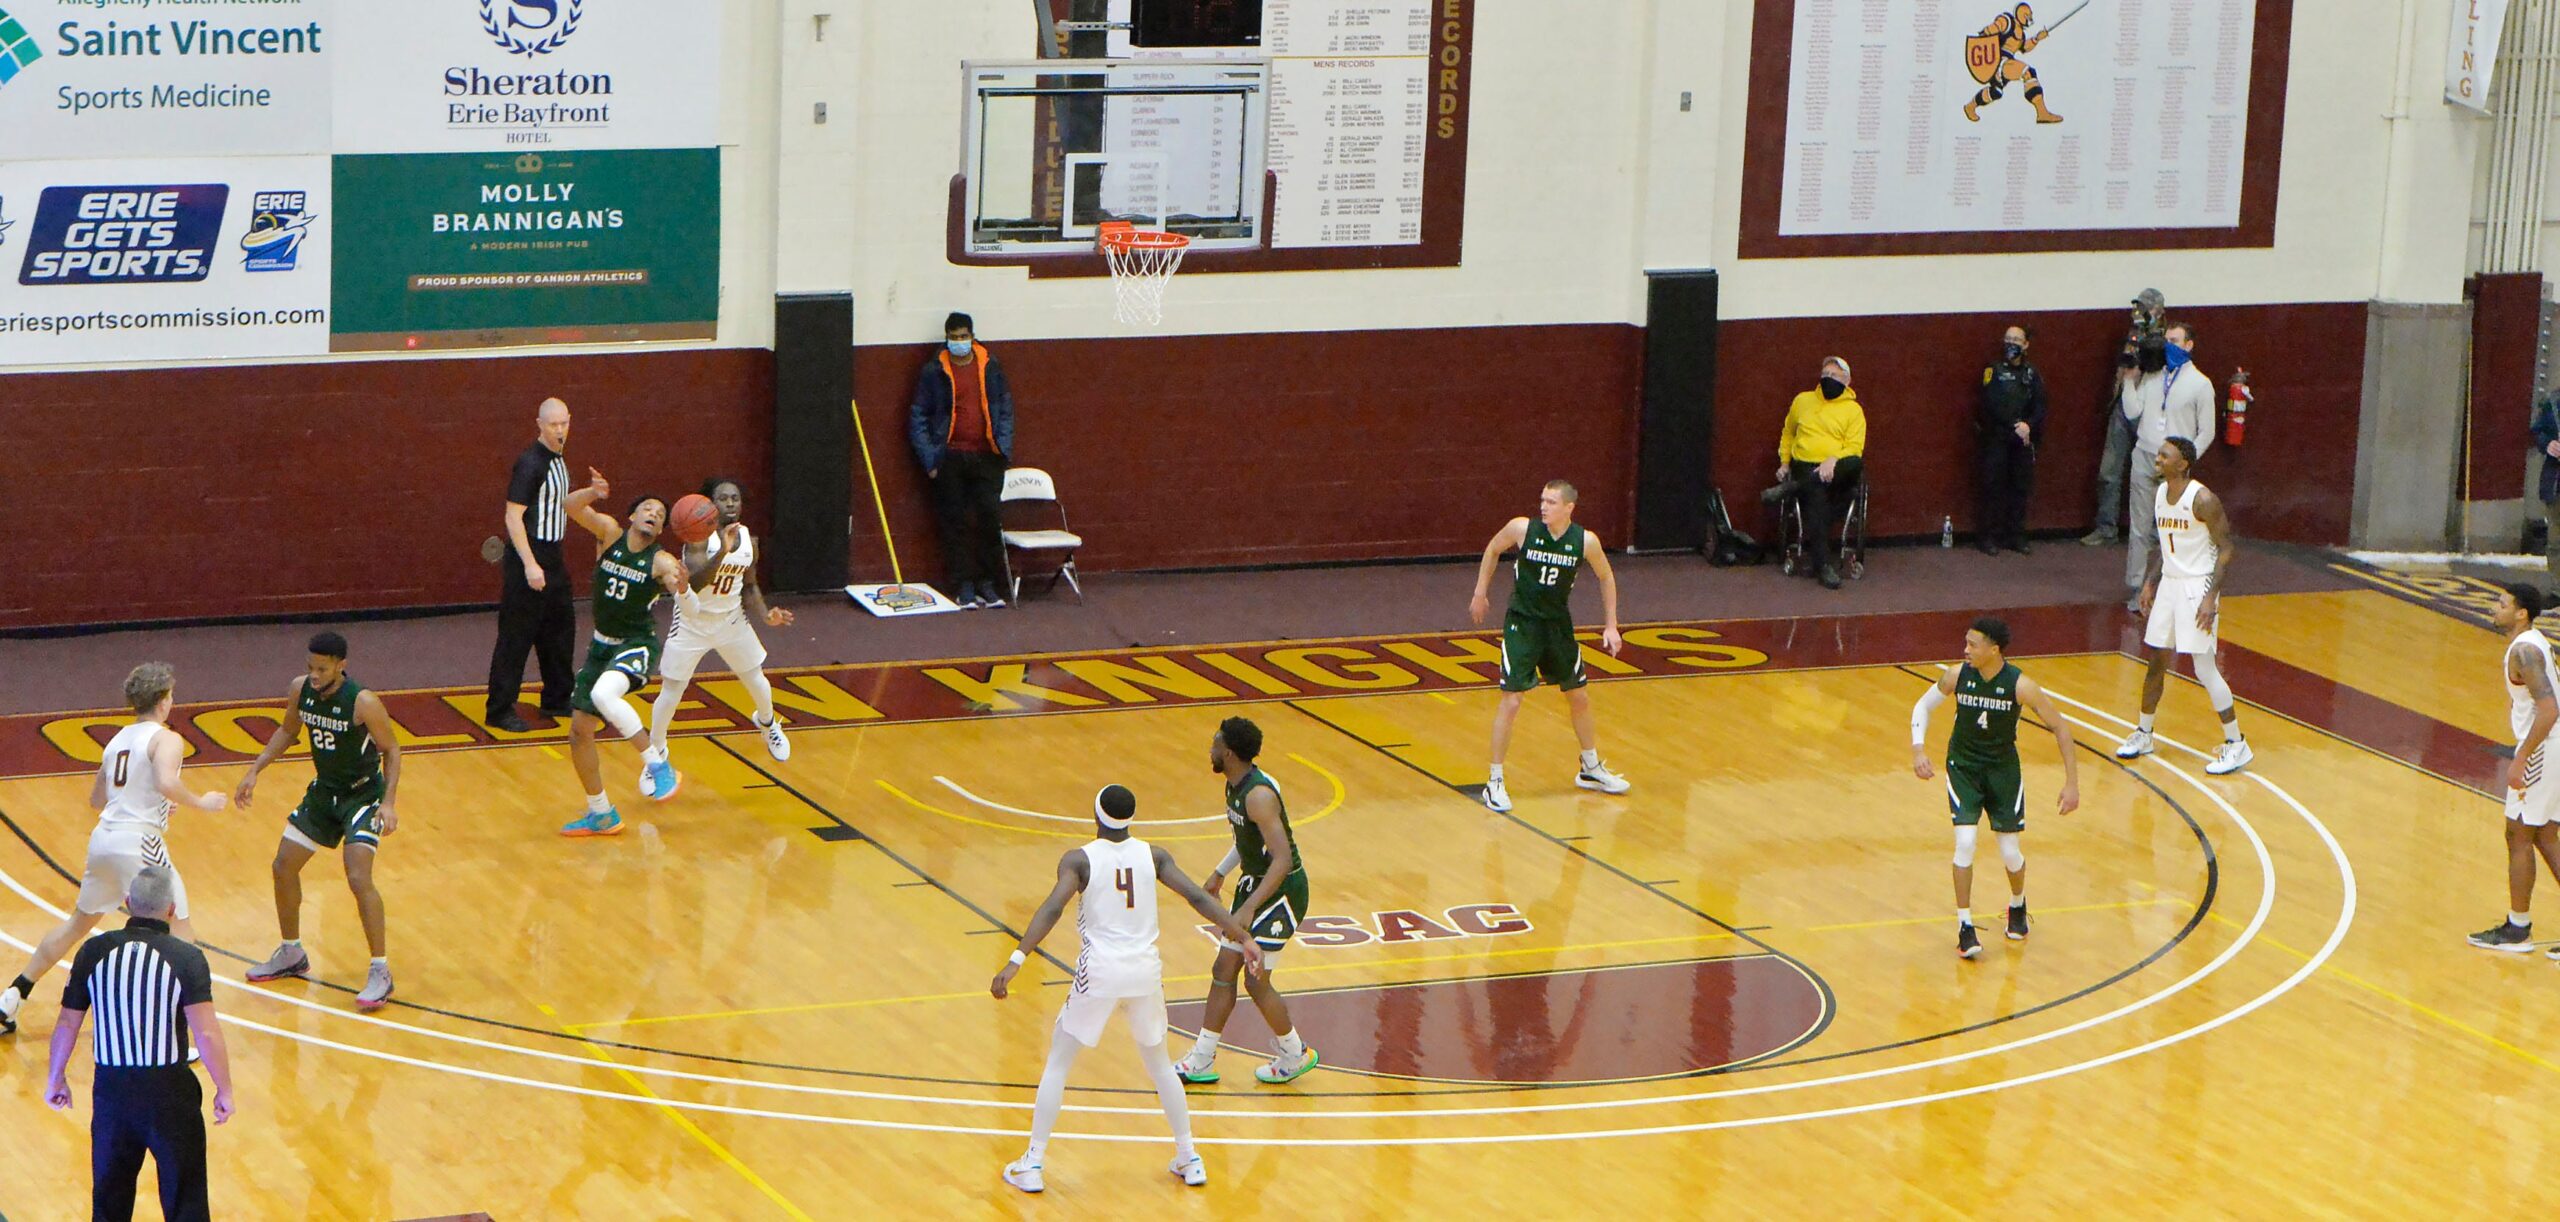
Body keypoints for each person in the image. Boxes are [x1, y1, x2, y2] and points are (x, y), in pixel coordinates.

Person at [989, 784, 1263, 1194]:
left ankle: (1032, 1161)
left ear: (1097, 815)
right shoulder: (1154, 856)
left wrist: (1017, 959)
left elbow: (1052, 907)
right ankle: (1189, 1156)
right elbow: (1195, 897)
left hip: (1100, 972)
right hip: (1144, 972)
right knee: (1159, 1064)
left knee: (1059, 1059)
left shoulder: (1079, 860)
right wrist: (1243, 936)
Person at [1, 664, 224, 1036]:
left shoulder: (117, 739)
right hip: (138, 843)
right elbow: (167, 781)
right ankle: (180, 1034)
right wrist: (201, 801)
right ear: (164, 700)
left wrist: (153, 800)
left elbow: (97, 798)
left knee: (78, 923)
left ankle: (13, 995)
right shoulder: (166, 738)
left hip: (104, 838)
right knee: (181, 933)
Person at [44, 867, 234, 1222]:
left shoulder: (93, 951)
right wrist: (223, 1089)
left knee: (110, 1201)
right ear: (171, 910)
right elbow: (206, 1033)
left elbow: (68, 1021)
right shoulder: (186, 957)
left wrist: (55, 1078)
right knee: (185, 1201)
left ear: (128, 904)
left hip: (112, 1094)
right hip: (170, 1094)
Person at [234, 632, 406, 1009]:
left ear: (341, 666)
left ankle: (381, 969)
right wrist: (255, 770)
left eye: (322, 668)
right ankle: (292, 952)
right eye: (309, 666)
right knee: (283, 865)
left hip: (363, 796)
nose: (313, 674)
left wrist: (388, 803)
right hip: (324, 792)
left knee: (358, 875)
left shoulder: (363, 701)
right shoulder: (301, 690)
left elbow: (392, 750)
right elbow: (287, 731)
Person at [1911, 617, 2082, 959]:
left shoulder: (2021, 685)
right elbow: (1922, 705)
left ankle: (2017, 904)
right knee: (1966, 842)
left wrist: (2072, 783)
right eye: (1966, 643)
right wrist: (1918, 748)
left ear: (1994, 649)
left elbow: (2061, 728)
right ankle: (1965, 926)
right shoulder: (1958, 676)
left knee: (2009, 853)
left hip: (2003, 771)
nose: (1966, 650)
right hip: (1964, 768)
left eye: (1973, 644)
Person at [1173, 717, 1320, 1086]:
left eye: (1215, 743)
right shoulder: (1233, 785)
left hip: (1282, 890)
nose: (1210, 749)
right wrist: (1221, 872)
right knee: (1224, 970)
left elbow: (1283, 859)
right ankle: (1203, 1059)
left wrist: (1251, 905)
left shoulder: (1258, 796)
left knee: (1256, 981)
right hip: (1254, 882)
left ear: (1230, 753)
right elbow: (1246, 841)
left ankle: (1294, 1053)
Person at [1467, 481, 1630, 813]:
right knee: (1511, 701)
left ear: (1569, 507)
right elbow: (1493, 548)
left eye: (1551, 502)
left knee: (1579, 695)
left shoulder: (1584, 541)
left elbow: (1606, 576)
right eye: (1542, 500)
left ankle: (1590, 767)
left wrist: (1611, 625)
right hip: (1523, 624)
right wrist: (1480, 592)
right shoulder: (1522, 529)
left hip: (1557, 625)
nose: (1543, 507)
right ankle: (1494, 781)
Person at [640, 476, 796, 798]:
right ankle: (656, 753)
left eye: (735, 498)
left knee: (757, 680)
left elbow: (750, 585)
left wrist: (766, 614)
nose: (730, 503)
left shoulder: (749, 540)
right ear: (710, 504)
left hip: (730, 620)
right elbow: (694, 583)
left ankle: (767, 723)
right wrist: (722, 552)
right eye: (723, 498)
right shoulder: (697, 539)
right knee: (672, 690)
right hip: (693, 622)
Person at [557, 478, 692, 834]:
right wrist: (592, 494)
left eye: (660, 514)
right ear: (632, 515)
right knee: (579, 731)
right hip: (602, 646)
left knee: (604, 694)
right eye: (647, 508)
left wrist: (682, 582)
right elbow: (570, 506)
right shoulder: (610, 534)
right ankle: (601, 813)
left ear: (662, 528)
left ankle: (657, 765)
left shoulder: (660, 559)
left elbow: (678, 584)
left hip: (637, 643)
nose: (653, 514)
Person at [2113, 438, 2252, 775]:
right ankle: (2144, 733)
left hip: (2197, 585)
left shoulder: (2203, 499)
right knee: (2156, 660)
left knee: (2204, 667)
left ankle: (2237, 744)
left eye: (2165, 456)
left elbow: (2227, 548)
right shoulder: (2162, 495)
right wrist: (2151, 581)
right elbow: (2167, 545)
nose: (2158, 459)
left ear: (2183, 463)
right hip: (2171, 585)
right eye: (2158, 454)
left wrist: (2209, 598)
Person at [2467, 584, 2560, 954]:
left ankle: (2518, 928)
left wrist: (2521, 758)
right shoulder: (2533, 642)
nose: (2496, 608)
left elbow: (2550, 709)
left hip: (2544, 746)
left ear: (2521, 613)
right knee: (2544, 835)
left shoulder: (2523, 650)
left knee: (2518, 833)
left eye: (2502, 604)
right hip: (2552, 746)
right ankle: (2518, 925)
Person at [909, 312, 1016, 609]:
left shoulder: (990, 365)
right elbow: (918, 416)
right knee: (954, 524)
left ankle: (986, 584)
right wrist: (931, 460)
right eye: (954, 337)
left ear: (972, 335)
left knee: (988, 521)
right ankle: (963, 586)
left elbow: (1005, 408)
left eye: (963, 336)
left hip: (987, 458)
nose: (959, 342)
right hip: (950, 459)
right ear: (946, 338)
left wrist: (1002, 449)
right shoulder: (933, 371)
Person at [486, 397, 578, 732]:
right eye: (552, 424)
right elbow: (513, 517)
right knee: (516, 636)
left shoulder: (560, 460)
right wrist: (529, 564)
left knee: (560, 630)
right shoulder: (530, 463)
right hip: (529, 555)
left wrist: (593, 495)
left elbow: (561, 505)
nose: (559, 430)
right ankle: (499, 708)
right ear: (539, 424)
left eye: (563, 424)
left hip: (554, 556)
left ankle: (557, 696)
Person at [2113, 323, 2215, 609]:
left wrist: (2186, 460)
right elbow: (2133, 411)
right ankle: (2136, 586)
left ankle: (2170, 585)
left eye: (2174, 340)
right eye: (2165, 340)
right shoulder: (2153, 376)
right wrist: (2131, 381)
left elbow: (2207, 431)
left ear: (2188, 345)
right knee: (2139, 527)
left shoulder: (2200, 384)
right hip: (2146, 454)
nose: (2167, 345)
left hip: (2176, 466)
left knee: (2174, 526)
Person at [1774, 356, 1869, 589]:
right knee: (1817, 495)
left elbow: (1854, 448)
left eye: (1834, 376)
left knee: (1854, 463)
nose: (1828, 379)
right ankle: (1823, 565)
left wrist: (1832, 461)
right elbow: (1788, 433)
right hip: (1805, 465)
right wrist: (1784, 463)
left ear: (1847, 381)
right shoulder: (1802, 401)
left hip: (1838, 470)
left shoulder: (1854, 411)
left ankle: (1795, 487)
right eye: (1824, 374)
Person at [2084, 290, 2168, 547]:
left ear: (2158, 311)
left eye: (2146, 308)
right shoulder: (2131, 335)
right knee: (2109, 471)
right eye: (2138, 308)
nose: (2140, 313)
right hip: (2122, 407)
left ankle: (2153, 530)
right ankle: (2106, 526)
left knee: (2153, 474)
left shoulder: (2167, 339)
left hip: (2150, 411)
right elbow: (2123, 368)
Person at [1976, 324, 2047, 555]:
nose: (2011, 344)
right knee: (1992, 486)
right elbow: (1990, 402)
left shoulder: (2032, 373)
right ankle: (1988, 537)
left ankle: (2016, 536)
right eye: (2008, 339)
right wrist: (2013, 425)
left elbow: (2040, 405)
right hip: (1997, 437)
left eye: (2017, 340)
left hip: (2023, 439)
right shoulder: (1993, 369)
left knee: (2020, 488)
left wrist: (2028, 426)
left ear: (2026, 344)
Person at [1962, 4, 2063, 124]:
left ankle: (1970, 106)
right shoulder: (2008, 21)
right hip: (1999, 60)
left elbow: (2024, 48)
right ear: (2022, 14)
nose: (2030, 18)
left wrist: (2037, 38)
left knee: (1996, 92)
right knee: (2028, 73)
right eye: (2028, 15)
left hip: (2006, 62)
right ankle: (2042, 113)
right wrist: (1993, 28)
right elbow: (1990, 31)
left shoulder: (2021, 34)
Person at [2530, 395, 2560, 580]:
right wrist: (2548, 444)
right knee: (2556, 542)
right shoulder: (2554, 403)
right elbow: (2536, 432)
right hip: (2556, 485)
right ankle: (2558, 590)